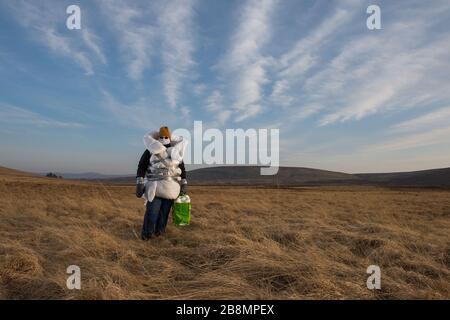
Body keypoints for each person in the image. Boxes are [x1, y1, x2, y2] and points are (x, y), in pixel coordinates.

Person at [135, 126, 188, 240]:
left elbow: (182, 169)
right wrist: (139, 182)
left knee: (164, 214)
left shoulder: (176, 152)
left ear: (169, 138)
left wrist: (184, 183)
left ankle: (160, 235)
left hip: (171, 189)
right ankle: (147, 237)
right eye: (161, 137)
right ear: (158, 138)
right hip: (155, 188)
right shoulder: (150, 150)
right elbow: (142, 166)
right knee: (152, 213)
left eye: (166, 137)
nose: (163, 138)